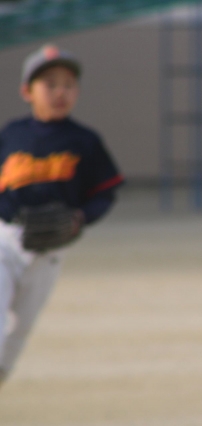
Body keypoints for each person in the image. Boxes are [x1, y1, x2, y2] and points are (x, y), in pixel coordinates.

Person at [0, 44, 123, 386]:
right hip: (5, 240)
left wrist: (80, 218)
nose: (60, 92)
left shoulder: (84, 141)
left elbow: (104, 193)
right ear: (27, 91)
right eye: (50, 84)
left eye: (68, 84)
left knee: (20, 328)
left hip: (50, 250)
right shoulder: (11, 134)